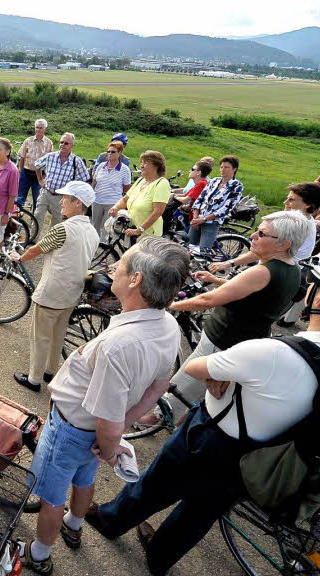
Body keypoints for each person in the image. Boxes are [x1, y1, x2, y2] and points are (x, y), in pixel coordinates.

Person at [85, 245, 320, 576]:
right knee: (201, 513)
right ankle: (160, 558)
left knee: (155, 485)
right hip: (266, 459)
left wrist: (218, 374)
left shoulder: (272, 352)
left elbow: (194, 368)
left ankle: (111, 520)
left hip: (213, 439)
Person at [18, 237, 190, 576]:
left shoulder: (118, 346)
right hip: (92, 434)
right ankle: (74, 523)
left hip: (72, 428)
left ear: (136, 280)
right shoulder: (167, 324)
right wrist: (117, 431)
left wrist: (110, 445)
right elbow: (158, 386)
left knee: (51, 493)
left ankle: (39, 554)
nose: (112, 269)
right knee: (83, 479)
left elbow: (108, 423)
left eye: (120, 265)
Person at [156, 211, 310, 425]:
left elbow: (207, 301)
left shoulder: (263, 271)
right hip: (249, 337)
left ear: (284, 243)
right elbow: (249, 291)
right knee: (209, 388)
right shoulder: (292, 268)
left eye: (262, 234)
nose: (253, 236)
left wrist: (167, 306)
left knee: (182, 385)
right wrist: (216, 279)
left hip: (223, 339)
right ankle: (184, 418)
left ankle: (157, 419)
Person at [12, 181, 100, 392]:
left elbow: (37, 249)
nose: (61, 201)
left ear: (78, 202)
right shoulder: (92, 231)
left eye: (65, 198)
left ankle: (34, 379)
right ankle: (51, 371)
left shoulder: (63, 229)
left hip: (52, 291)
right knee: (58, 335)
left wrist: (20, 258)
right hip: (73, 292)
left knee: (40, 336)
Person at [211, 182, 320, 271]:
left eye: (291, 200)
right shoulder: (305, 221)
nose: (285, 202)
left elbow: (260, 252)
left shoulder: (293, 226)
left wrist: (228, 263)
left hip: (278, 271)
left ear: (307, 205)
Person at [108, 151, 170, 238]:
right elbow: (125, 199)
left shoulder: (161, 183)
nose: (141, 166)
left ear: (157, 165)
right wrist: (115, 207)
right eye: (141, 162)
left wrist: (139, 230)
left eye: (146, 163)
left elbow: (157, 212)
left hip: (148, 233)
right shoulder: (140, 180)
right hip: (131, 229)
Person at [187, 155, 244, 251]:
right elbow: (200, 199)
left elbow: (226, 208)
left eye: (226, 167)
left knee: (203, 252)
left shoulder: (236, 186)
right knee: (187, 247)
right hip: (198, 219)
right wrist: (196, 217)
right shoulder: (214, 181)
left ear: (234, 169)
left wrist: (204, 219)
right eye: (221, 167)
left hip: (212, 222)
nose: (223, 170)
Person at [34, 133, 89, 230]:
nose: (62, 145)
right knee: (37, 216)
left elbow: (85, 179)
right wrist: (40, 180)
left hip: (61, 198)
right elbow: (37, 165)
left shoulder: (76, 161)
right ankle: (32, 241)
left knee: (57, 222)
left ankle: (51, 243)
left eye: (66, 143)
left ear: (72, 145)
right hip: (46, 192)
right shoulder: (50, 156)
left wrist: (75, 194)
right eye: (61, 142)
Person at [90, 141, 132, 235]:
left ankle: (104, 246)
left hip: (112, 203)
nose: (109, 154)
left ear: (119, 153)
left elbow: (126, 188)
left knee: (107, 228)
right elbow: (95, 182)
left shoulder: (124, 169)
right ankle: (94, 246)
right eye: (108, 151)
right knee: (94, 226)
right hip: (97, 201)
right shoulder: (101, 166)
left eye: (113, 152)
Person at [162, 159, 212, 235]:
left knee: (182, 237)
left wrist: (174, 196)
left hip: (196, 218)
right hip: (192, 214)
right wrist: (171, 193)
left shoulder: (202, 184)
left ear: (198, 173)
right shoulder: (199, 183)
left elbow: (185, 200)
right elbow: (185, 195)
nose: (189, 171)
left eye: (192, 169)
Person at [16, 118, 54, 209]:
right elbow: (22, 156)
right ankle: (17, 220)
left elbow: (50, 162)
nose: (38, 130)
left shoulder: (49, 143)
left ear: (45, 129)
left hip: (39, 176)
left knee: (37, 200)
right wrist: (21, 171)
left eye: (40, 128)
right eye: (36, 127)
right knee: (19, 198)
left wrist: (44, 177)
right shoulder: (28, 140)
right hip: (26, 173)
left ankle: (34, 221)